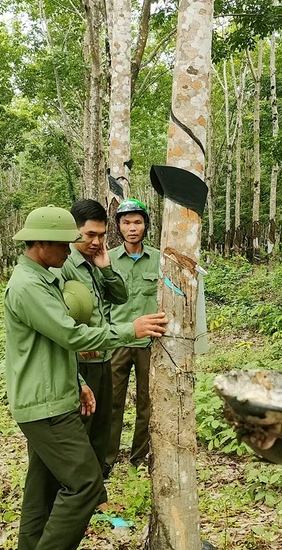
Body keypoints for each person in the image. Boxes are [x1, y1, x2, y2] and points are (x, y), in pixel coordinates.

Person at [5, 205, 166, 550]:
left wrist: (77, 383)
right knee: (86, 485)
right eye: (64, 244)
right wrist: (131, 329)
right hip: (44, 406)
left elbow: (50, 343)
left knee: (43, 488)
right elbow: (71, 335)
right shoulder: (29, 285)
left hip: (54, 394)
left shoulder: (41, 278)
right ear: (40, 244)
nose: (70, 249)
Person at [57, 199, 127, 474]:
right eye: (90, 235)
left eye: (101, 235)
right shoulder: (62, 266)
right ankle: (79, 488)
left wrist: (105, 267)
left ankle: (98, 490)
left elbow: (120, 297)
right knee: (80, 427)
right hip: (78, 360)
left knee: (102, 426)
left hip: (103, 356)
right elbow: (59, 320)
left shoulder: (95, 262)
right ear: (75, 232)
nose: (97, 241)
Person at [105, 198, 160, 474]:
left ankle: (139, 458)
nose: (132, 228)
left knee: (146, 403)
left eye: (137, 222)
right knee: (112, 403)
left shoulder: (160, 259)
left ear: (146, 225)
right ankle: (107, 459)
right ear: (118, 227)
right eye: (126, 222)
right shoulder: (107, 259)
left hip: (150, 344)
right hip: (117, 341)